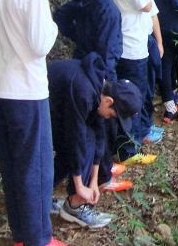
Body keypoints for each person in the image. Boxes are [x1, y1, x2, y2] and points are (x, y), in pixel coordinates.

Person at [0, 0, 76, 246]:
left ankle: (22, 234)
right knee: (35, 169)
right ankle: (39, 238)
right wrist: (53, 25)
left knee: (13, 166)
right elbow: (41, 44)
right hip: (26, 91)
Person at [49, 53, 142, 228]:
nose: (111, 118)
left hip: (60, 111)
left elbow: (99, 135)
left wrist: (93, 181)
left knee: (90, 140)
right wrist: (79, 186)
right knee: (79, 146)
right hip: (44, 108)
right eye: (113, 114)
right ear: (109, 101)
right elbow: (74, 138)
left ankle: (45, 195)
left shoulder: (100, 89)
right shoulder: (83, 92)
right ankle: (73, 205)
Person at [101, 0, 163, 166]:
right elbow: (146, 5)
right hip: (132, 49)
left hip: (121, 46)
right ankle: (129, 148)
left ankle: (126, 143)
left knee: (125, 96)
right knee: (131, 99)